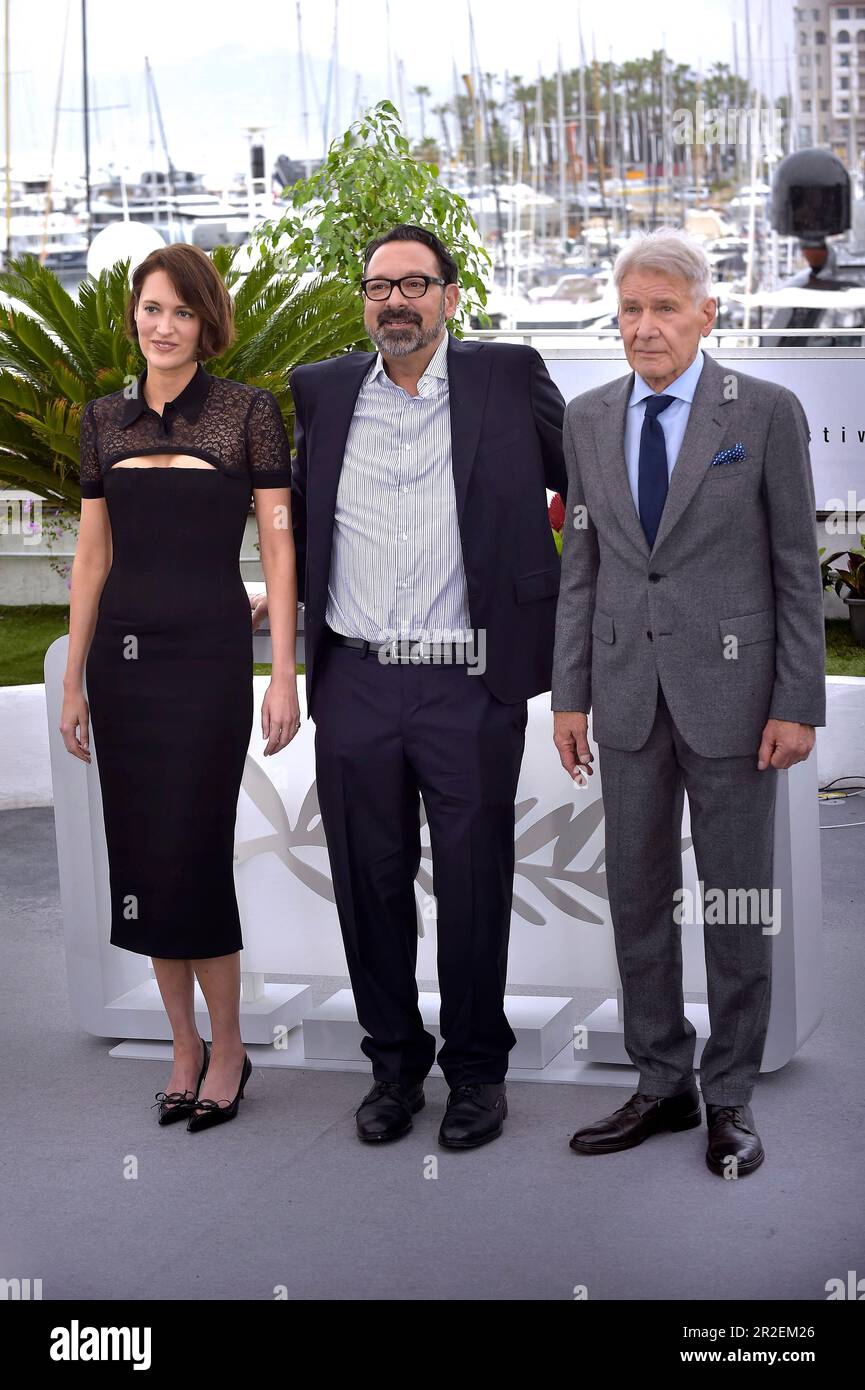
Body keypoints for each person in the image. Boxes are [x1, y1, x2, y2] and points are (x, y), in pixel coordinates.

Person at [251, 223, 567, 1148]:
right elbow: (296, 523)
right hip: (354, 681)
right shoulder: (320, 392)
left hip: (469, 683)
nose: (396, 300)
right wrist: (266, 599)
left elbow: (587, 488)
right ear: (364, 299)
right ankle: (392, 1066)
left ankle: (476, 1073)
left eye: (415, 284)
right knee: (367, 882)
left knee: (473, 884)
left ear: (449, 296)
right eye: (379, 285)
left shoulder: (507, 378)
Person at [552, 227, 826, 1177]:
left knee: (736, 902)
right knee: (634, 896)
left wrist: (797, 700)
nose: (644, 326)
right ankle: (660, 1083)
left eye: (664, 307)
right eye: (630, 309)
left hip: (736, 700)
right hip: (624, 697)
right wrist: (568, 694)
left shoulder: (764, 410)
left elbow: (798, 568)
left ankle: (733, 1097)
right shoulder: (587, 419)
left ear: (707, 315)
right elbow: (580, 569)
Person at [62, 244, 299, 1131]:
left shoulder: (247, 413)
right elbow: (92, 556)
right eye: (150, 309)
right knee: (145, 855)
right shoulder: (101, 419)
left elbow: (277, 544)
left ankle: (229, 1048)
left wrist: (282, 672)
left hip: (207, 662)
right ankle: (182, 1048)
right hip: (123, 663)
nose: (163, 326)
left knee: (194, 849)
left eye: (182, 312)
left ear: (207, 323)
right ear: (134, 316)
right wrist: (79, 679)